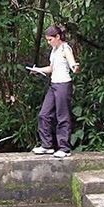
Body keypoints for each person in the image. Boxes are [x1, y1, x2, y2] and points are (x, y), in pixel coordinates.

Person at [31, 25, 80, 158]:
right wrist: (38, 69)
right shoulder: (54, 50)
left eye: (50, 39)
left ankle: (64, 148)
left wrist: (75, 68)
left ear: (58, 37)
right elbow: (52, 68)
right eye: (47, 40)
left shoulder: (65, 48)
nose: (48, 42)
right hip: (54, 85)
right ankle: (47, 145)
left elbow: (72, 64)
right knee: (44, 114)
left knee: (62, 116)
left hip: (64, 85)